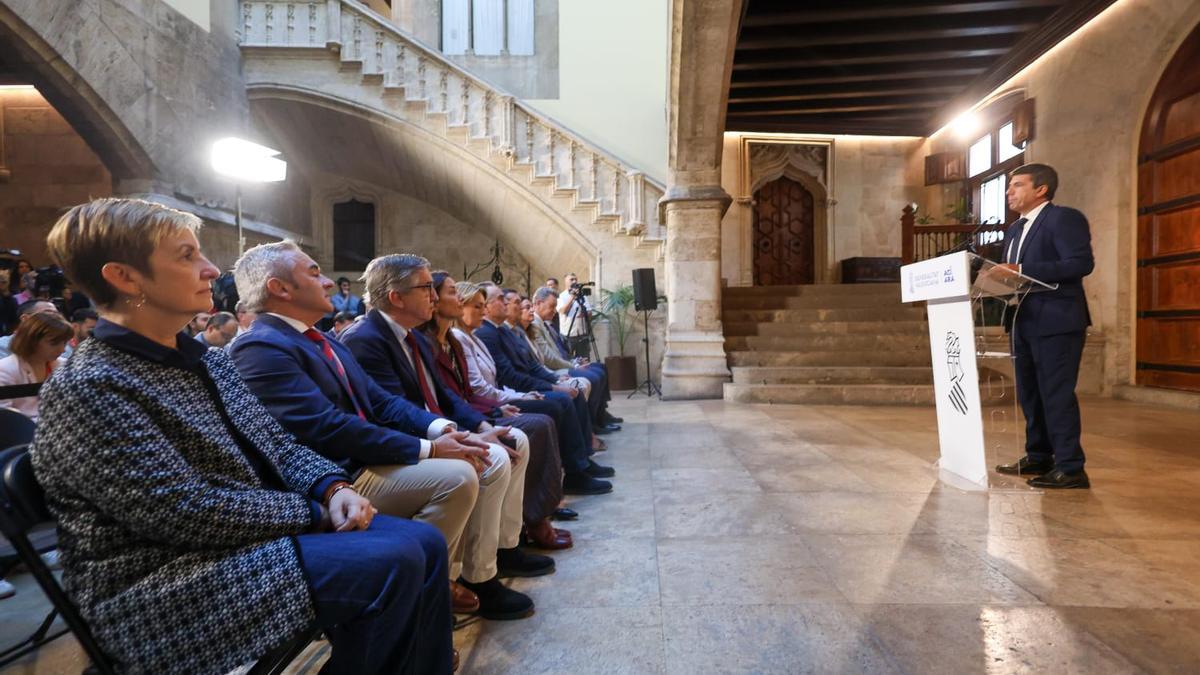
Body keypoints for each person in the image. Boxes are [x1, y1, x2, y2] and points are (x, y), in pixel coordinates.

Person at [32, 197, 453, 674]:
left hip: (241, 543)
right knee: (393, 562)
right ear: (125, 277)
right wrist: (312, 511)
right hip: (166, 583)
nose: (212, 269)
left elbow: (276, 444)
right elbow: (182, 513)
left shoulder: (207, 361)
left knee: (424, 543)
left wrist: (332, 486)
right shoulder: (91, 385)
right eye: (187, 256)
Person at [229, 241, 547, 621]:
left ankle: (443, 582)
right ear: (279, 288)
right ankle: (422, 595)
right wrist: (429, 449)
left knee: (477, 457)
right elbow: (326, 427)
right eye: (314, 273)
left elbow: (381, 401)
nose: (328, 282)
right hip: (335, 477)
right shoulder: (260, 347)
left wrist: (446, 431)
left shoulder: (321, 338)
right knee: (459, 475)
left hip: (364, 458)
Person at [354, 266, 570, 550]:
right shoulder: (366, 339)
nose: (433, 297)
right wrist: (450, 437)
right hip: (398, 444)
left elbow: (446, 396)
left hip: (438, 424)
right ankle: (480, 562)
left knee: (513, 438)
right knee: (493, 457)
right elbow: (392, 409)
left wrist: (482, 426)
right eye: (427, 289)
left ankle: (509, 543)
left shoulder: (416, 338)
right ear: (397, 297)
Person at [993, 163, 1094, 489]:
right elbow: (1014, 274)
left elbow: (1080, 263)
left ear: (1041, 189)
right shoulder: (1014, 229)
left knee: (1055, 393)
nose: (1009, 191)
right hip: (1022, 319)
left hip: (1056, 320)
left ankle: (1071, 467)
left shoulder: (1063, 218)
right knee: (1030, 393)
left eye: (1017, 185)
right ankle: (1039, 455)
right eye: (1009, 186)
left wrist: (1021, 269)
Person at [465, 285, 612, 494]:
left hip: (513, 390)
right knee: (560, 402)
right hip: (506, 395)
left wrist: (555, 382)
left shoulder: (501, 331)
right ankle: (573, 472)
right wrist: (549, 387)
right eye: (501, 299)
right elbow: (507, 377)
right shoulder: (488, 334)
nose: (506, 303)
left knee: (570, 393)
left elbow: (532, 366)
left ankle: (581, 463)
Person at [0, 311, 72, 420]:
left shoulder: (64, 365)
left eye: (65, 343)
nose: (62, 350)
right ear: (31, 341)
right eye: (54, 343)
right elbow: (5, 418)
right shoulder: (4, 369)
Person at [556, 272, 592, 358]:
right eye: (571, 279)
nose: (574, 281)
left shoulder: (582, 296)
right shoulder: (561, 296)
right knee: (568, 360)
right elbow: (562, 311)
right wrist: (572, 297)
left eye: (576, 279)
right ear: (565, 282)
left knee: (585, 360)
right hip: (568, 336)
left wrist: (585, 314)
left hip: (582, 335)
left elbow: (590, 312)